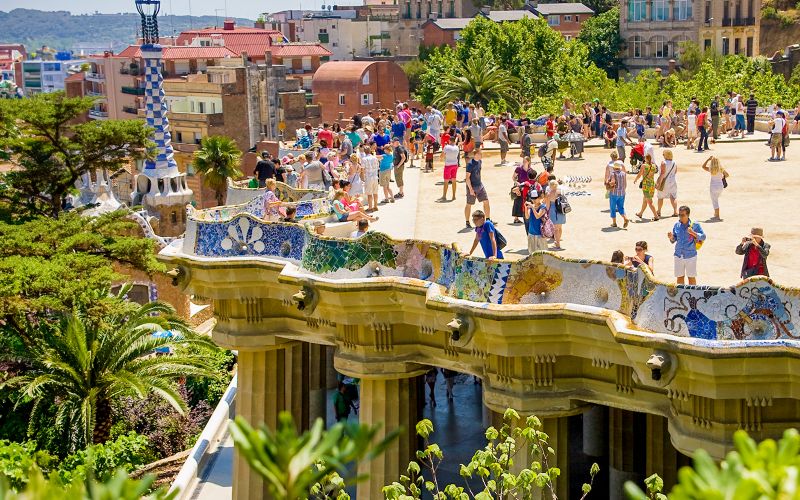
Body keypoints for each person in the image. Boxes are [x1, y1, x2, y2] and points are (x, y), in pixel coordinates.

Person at [667, 205, 706, 285]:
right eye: (679, 215)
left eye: (682, 215)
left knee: (691, 277)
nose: (680, 217)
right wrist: (671, 237)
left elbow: (703, 237)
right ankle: (681, 296)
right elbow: (674, 240)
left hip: (690, 256)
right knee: (679, 277)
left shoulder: (695, 225)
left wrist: (693, 233)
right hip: (678, 255)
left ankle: (693, 295)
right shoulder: (676, 225)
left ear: (688, 215)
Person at [464, 149, 491, 228]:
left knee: (486, 201)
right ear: (476, 154)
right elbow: (467, 178)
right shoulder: (470, 164)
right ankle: (467, 222)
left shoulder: (480, 162)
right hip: (472, 187)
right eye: (480, 154)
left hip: (480, 185)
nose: (481, 155)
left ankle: (488, 219)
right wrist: (471, 189)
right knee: (469, 204)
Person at [701, 156, 729, 220]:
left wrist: (708, 159)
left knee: (715, 201)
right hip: (720, 186)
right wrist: (722, 177)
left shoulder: (711, 169)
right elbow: (727, 175)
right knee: (716, 199)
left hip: (713, 187)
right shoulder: (721, 169)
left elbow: (703, 166)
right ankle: (716, 213)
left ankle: (717, 215)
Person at [633, 153, 659, 221]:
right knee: (645, 200)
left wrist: (636, 179)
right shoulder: (654, 165)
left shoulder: (644, 166)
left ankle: (656, 216)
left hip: (646, 185)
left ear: (646, 159)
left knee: (649, 202)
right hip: (651, 184)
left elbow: (639, 174)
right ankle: (640, 213)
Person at [605, 160, 630, 228]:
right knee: (621, 207)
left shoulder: (612, 173)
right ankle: (625, 218)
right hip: (622, 193)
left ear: (614, 168)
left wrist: (607, 182)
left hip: (614, 193)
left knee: (613, 208)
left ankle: (614, 223)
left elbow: (612, 182)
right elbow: (625, 184)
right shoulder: (623, 173)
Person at [656, 149, 678, 218]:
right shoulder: (674, 163)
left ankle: (659, 211)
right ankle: (675, 211)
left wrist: (658, 182)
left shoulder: (663, 163)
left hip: (664, 181)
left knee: (660, 197)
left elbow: (662, 174)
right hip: (673, 181)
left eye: (663, 154)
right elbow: (675, 172)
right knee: (673, 196)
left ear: (666, 155)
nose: (663, 155)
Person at [439, 135, 460, 201]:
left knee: (446, 181)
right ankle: (453, 196)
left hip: (448, 165)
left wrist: (444, 157)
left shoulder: (446, 147)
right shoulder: (457, 148)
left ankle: (444, 196)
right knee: (454, 180)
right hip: (455, 165)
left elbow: (441, 156)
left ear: (449, 140)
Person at [547, 180, 566, 249]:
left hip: (553, 211)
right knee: (560, 227)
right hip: (561, 210)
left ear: (550, 186)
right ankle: (557, 241)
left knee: (555, 229)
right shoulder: (560, 192)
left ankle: (557, 244)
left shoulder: (549, 194)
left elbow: (547, 206)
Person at [362, 146, 380, 212]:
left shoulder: (364, 159)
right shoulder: (375, 158)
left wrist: (363, 178)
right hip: (375, 177)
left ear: (364, 151)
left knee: (369, 193)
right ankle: (375, 206)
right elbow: (378, 167)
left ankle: (370, 207)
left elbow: (363, 169)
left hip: (369, 177)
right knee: (375, 192)